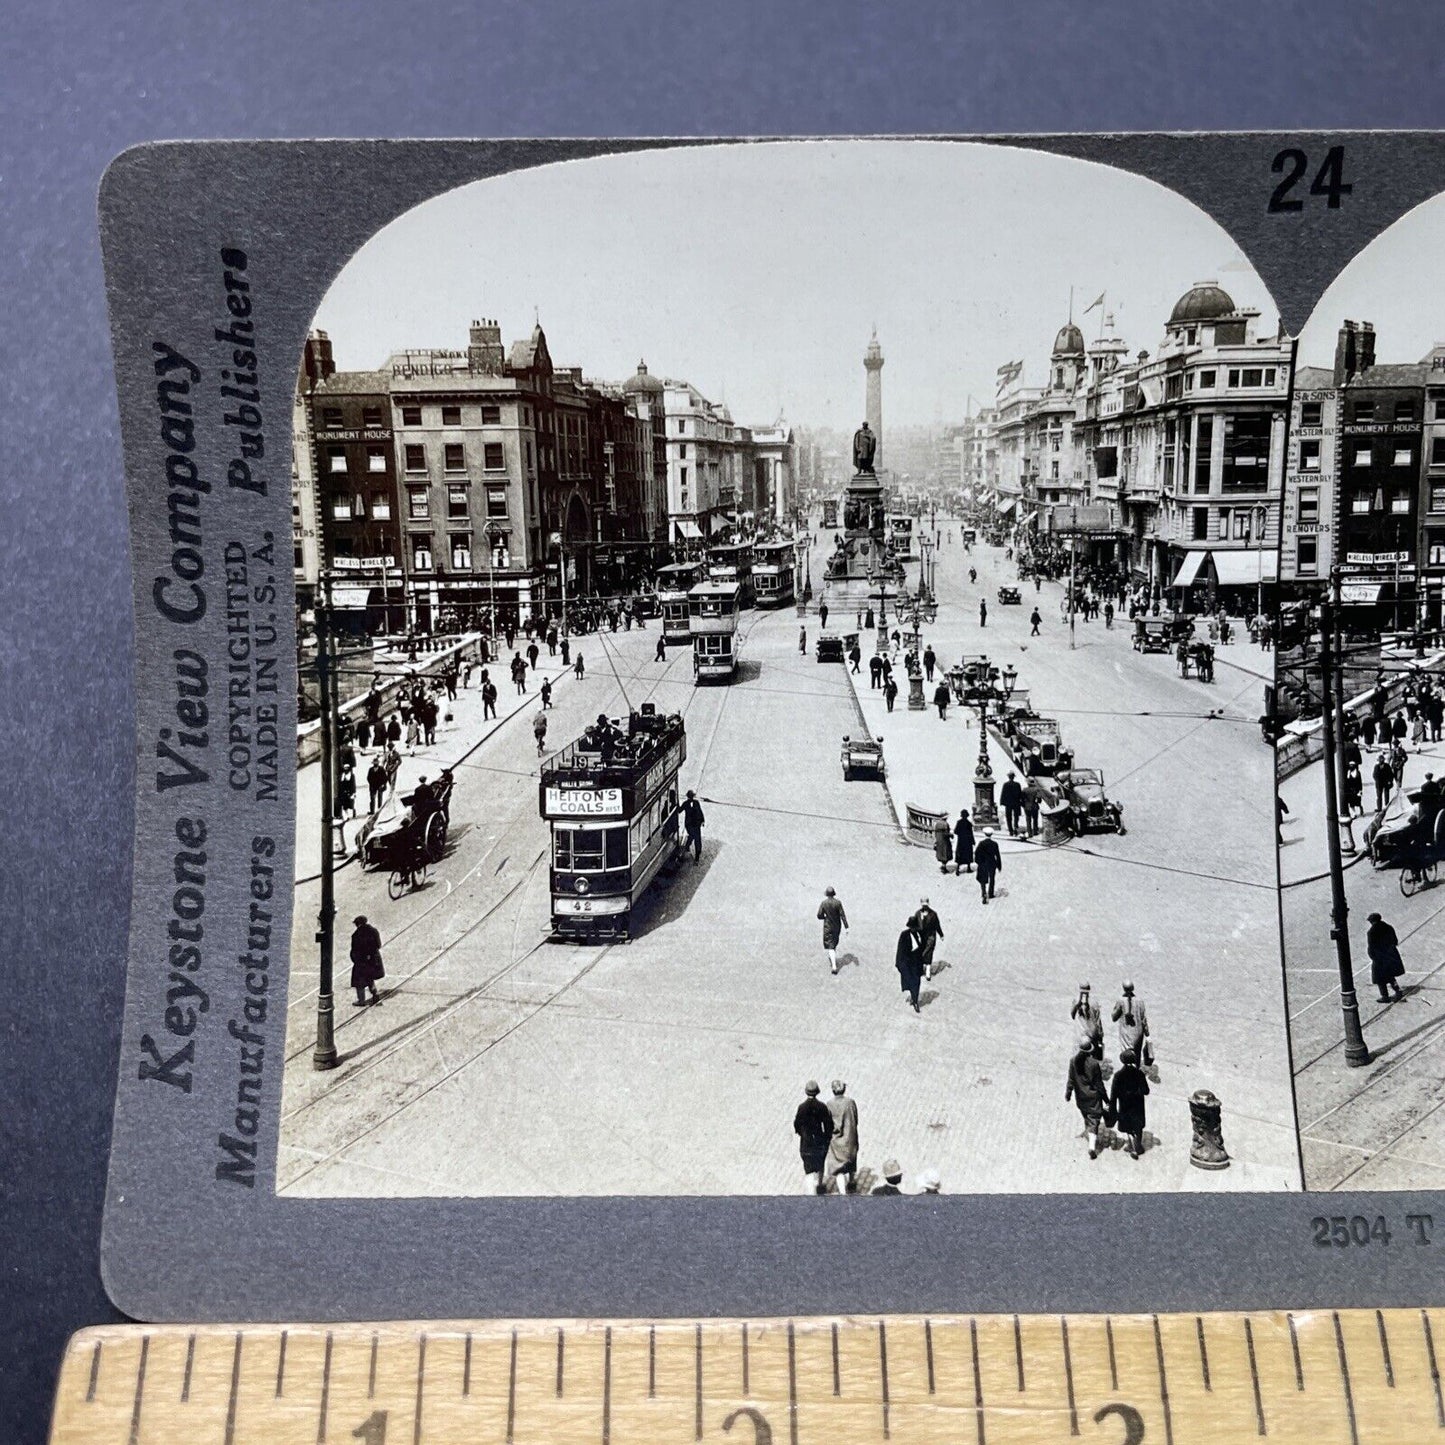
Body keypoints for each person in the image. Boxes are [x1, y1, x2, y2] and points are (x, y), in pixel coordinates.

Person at [1065, 1037, 1107, 1160]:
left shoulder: (1073, 1061)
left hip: (1080, 1097)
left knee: (1086, 1116)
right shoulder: (1094, 1064)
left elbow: (1071, 1079)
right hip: (1093, 1097)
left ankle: (1088, 1132)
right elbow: (1099, 1084)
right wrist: (1106, 1099)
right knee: (1094, 1120)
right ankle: (1092, 1147)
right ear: (1090, 1050)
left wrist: (1068, 1093)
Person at [793, 1081, 834, 1195]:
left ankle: (811, 1193)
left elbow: (796, 1124)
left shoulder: (802, 1107)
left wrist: (802, 1133)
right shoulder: (822, 1107)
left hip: (806, 1142)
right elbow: (828, 1125)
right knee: (820, 1164)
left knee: (808, 1168)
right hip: (819, 1141)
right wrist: (827, 1138)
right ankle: (820, 1185)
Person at [1109, 1048, 1150, 1160]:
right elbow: (1146, 1091)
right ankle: (1138, 1146)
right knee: (1138, 1126)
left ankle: (1133, 1147)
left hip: (1125, 1106)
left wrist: (1112, 1108)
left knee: (1128, 1126)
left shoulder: (1118, 1075)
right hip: (1138, 1106)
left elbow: (1113, 1095)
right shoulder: (1140, 1074)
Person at [823, 1080, 860, 1195]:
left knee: (838, 1167)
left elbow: (827, 1123)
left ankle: (843, 1192)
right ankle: (852, 1181)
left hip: (836, 1140)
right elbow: (856, 1118)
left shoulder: (829, 1104)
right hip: (850, 1137)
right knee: (851, 1160)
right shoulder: (850, 1102)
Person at [1366, 912, 1407, 1003]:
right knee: (1390, 976)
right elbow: (1395, 941)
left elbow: (1371, 947)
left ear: (1372, 921)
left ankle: (1385, 996)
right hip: (1390, 955)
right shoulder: (1389, 927)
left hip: (1379, 957)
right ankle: (1397, 990)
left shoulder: (1371, 932)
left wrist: (1373, 957)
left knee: (1380, 979)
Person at [1111, 981, 1152, 1067]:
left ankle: (1127, 1073)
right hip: (1138, 1034)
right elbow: (1144, 1020)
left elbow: (1114, 1018)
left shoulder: (1120, 1001)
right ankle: (1136, 1072)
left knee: (1127, 1056)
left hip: (1126, 1034)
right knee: (1137, 1055)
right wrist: (1147, 1034)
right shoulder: (1140, 1001)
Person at [349, 915, 384, 1008]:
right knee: (370, 978)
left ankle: (361, 1000)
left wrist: (355, 959)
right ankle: (375, 995)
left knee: (358, 982)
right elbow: (378, 944)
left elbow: (355, 950)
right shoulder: (373, 931)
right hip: (373, 959)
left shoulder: (356, 935)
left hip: (361, 961)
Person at [909, 897, 944, 982]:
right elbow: (914, 925)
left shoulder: (933, 914)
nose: (925, 907)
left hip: (931, 936)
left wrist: (941, 934)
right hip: (921, 937)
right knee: (921, 952)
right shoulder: (917, 913)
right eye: (923, 905)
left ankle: (928, 971)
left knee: (928, 952)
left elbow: (937, 925)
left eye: (926, 905)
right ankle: (920, 969)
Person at [818, 885, 848, 975]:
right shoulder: (838, 903)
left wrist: (825, 917)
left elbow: (819, 915)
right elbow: (842, 915)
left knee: (830, 945)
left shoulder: (824, 903)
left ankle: (834, 966)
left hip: (828, 926)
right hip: (837, 926)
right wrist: (846, 927)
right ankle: (833, 958)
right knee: (833, 944)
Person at [1070, 983, 1104, 1061]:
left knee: (1078, 1056)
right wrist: (1101, 1036)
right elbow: (1098, 1021)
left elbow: (1072, 1015)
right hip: (1092, 1034)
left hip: (1080, 1034)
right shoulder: (1094, 1002)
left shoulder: (1076, 1000)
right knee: (1092, 1057)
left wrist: (1077, 1005)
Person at [895, 924, 924, 1012]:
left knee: (916, 982)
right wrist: (899, 963)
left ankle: (915, 1000)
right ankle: (913, 997)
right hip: (907, 963)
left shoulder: (919, 935)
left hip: (916, 962)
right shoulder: (904, 935)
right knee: (911, 981)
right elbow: (900, 949)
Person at [974, 826, 1001, 903]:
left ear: (984, 834)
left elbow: (977, 853)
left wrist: (978, 862)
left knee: (983, 878)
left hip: (983, 863)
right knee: (992, 878)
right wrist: (999, 865)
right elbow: (997, 855)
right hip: (992, 863)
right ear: (991, 834)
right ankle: (991, 893)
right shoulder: (994, 844)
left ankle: (983, 892)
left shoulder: (981, 843)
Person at [682, 789, 705, 862]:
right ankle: (696, 854)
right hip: (694, 824)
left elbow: (679, 810)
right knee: (696, 838)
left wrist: (702, 820)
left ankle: (690, 848)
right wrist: (702, 820)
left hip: (691, 824)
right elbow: (700, 812)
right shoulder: (695, 803)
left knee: (694, 837)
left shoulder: (687, 803)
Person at [999, 771, 1024, 836]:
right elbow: (1020, 794)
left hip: (1008, 803)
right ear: (1013, 777)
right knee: (1016, 816)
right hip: (1016, 803)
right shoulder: (1017, 784)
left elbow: (1003, 794)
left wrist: (1002, 802)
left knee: (1008, 817)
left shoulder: (1006, 784)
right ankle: (1015, 827)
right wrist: (1021, 802)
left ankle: (1011, 830)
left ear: (1009, 777)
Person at [953, 808, 975, 875]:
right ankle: (968, 868)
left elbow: (955, 831)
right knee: (968, 855)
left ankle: (958, 869)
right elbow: (971, 834)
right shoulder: (969, 824)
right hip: (968, 842)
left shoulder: (959, 822)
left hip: (961, 841)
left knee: (960, 855)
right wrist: (973, 841)